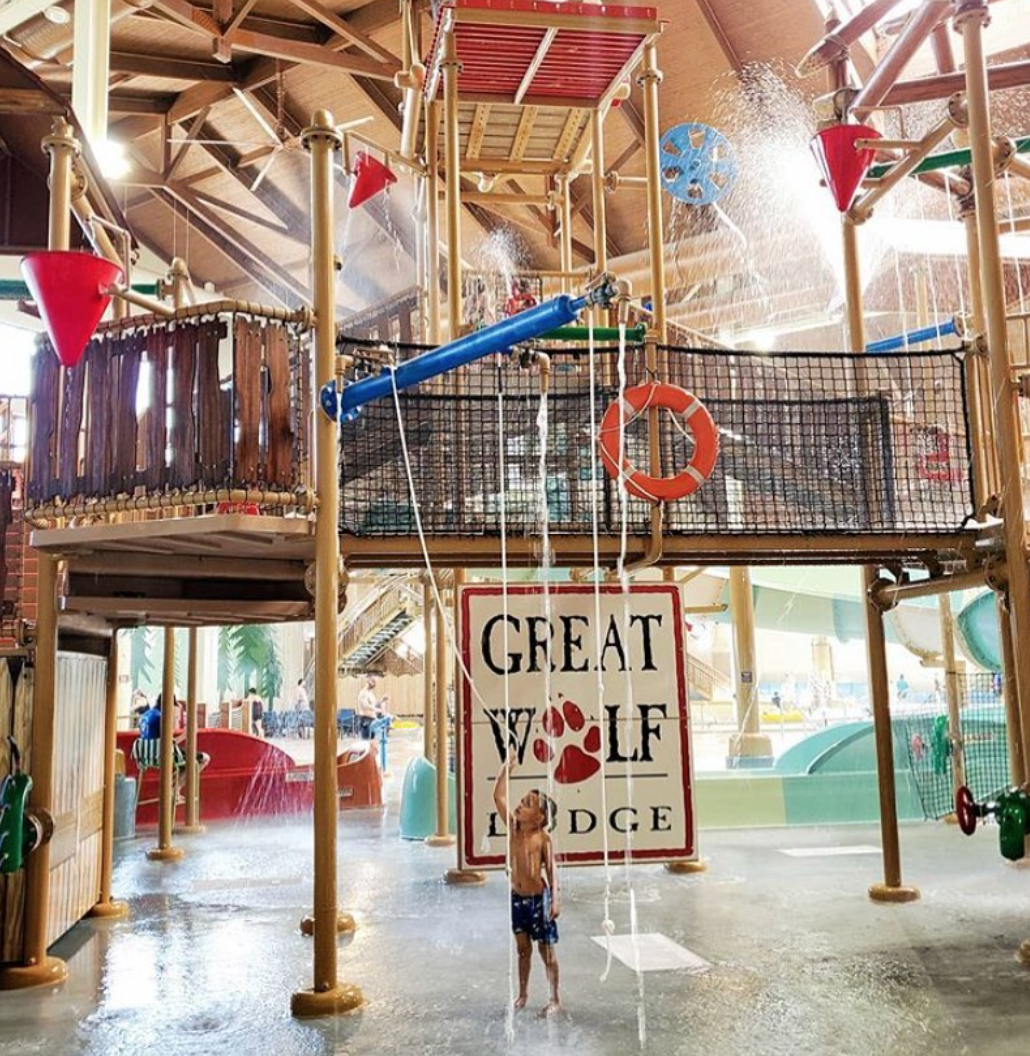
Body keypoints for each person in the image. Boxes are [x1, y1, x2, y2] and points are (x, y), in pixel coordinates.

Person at [492, 754, 561, 1017]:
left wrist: (555, 899)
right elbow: (498, 797)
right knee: (523, 950)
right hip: (518, 898)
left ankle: (554, 998)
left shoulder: (543, 839)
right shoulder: (513, 829)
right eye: (521, 801)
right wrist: (505, 771)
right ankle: (523, 994)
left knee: (546, 951)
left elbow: (552, 871)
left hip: (538, 899)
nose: (519, 805)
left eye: (527, 804)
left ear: (540, 817)